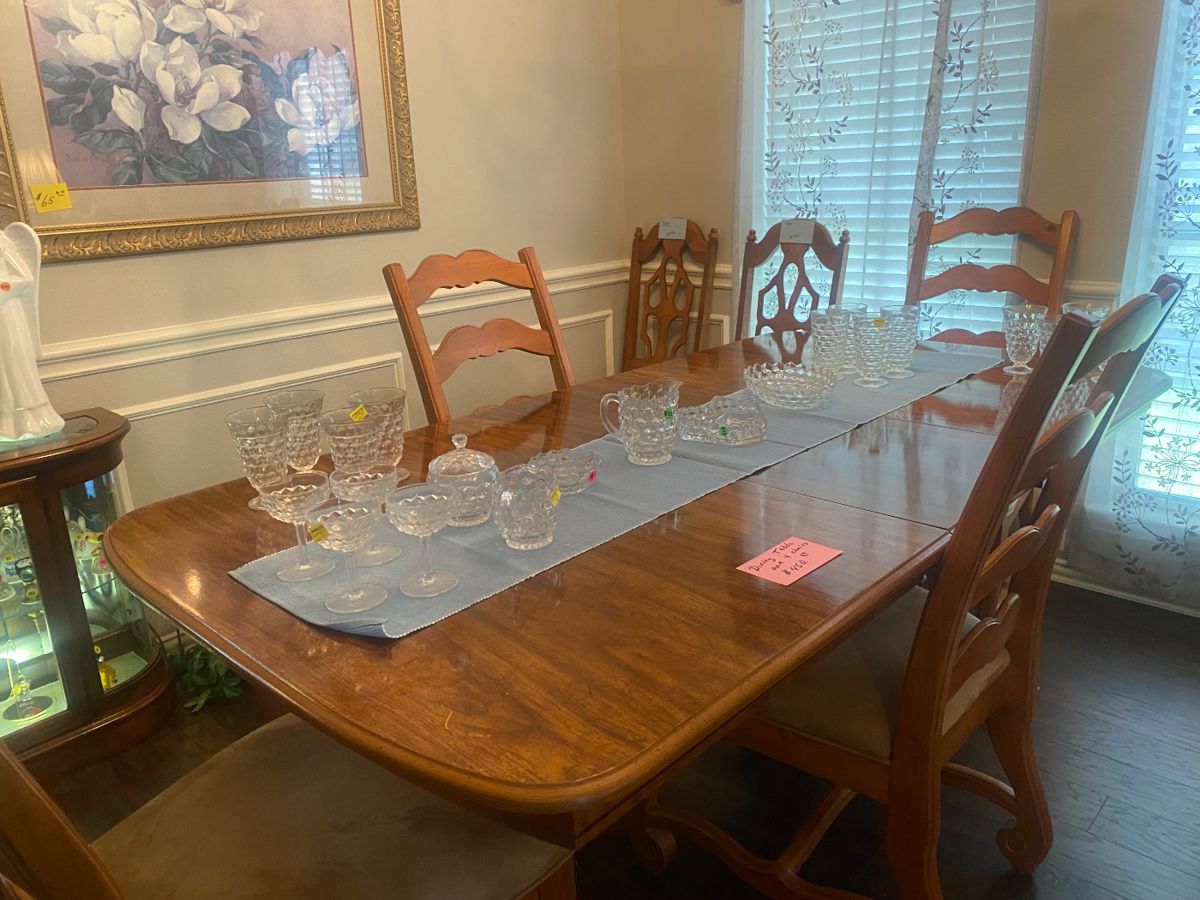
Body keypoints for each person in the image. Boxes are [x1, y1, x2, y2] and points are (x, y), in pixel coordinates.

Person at [0, 222, 64, 443]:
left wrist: (3, 287)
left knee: (12, 359)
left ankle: (26, 417)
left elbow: (26, 278)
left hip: (6, 311)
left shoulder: (3, 241)